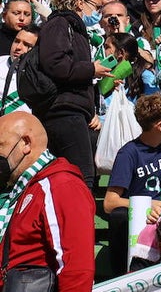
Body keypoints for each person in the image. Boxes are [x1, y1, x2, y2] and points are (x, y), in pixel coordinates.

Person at [0, 110, 95, 290]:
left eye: (0, 145)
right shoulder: (26, 188)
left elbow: (77, 268)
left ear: (26, 143)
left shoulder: (61, 185)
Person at [104, 92, 161, 275]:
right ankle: (122, 276)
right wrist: (147, 204)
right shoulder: (128, 154)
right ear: (160, 126)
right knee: (119, 216)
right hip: (144, 219)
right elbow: (109, 203)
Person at [37, 0, 113, 187]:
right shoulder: (60, 24)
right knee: (81, 178)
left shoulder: (74, 28)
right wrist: (92, 68)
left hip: (76, 112)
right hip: (63, 113)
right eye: (95, 7)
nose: (97, 13)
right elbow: (56, 64)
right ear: (80, 3)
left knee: (77, 178)